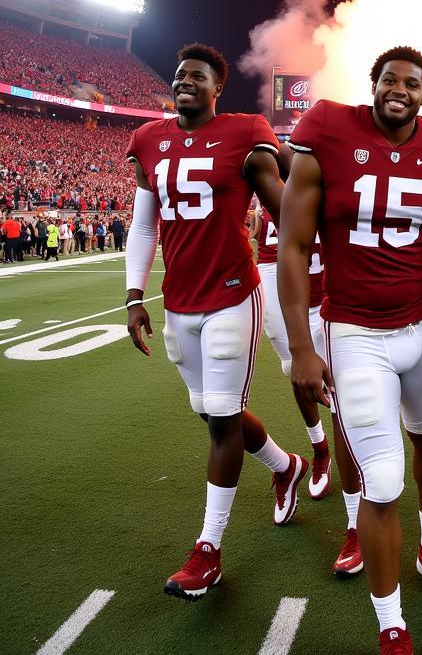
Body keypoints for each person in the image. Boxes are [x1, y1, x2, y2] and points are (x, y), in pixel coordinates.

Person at [283, 46, 422, 655]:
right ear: (372, 85)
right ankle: (392, 630)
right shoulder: (327, 130)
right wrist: (302, 344)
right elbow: (292, 242)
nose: (400, 90)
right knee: (384, 477)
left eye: (413, 83)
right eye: (390, 80)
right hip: (356, 333)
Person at [125, 43, 308, 600]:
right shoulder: (149, 140)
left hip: (231, 294)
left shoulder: (245, 131)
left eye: (197, 76)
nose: (184, 81)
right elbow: (143, 225)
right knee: (212, 414)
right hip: (177, 300)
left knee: (223, 419)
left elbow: (283, 208)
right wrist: (134, 295)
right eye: (180, 74)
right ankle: (286, 466)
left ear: (216, 87)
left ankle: (208, 549)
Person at [252, 190, 365, 578]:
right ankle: (319, 451)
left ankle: (355, 520)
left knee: (341, 399)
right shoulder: (272, 169)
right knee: (297, 375)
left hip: (333, 292)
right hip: (283, 288)